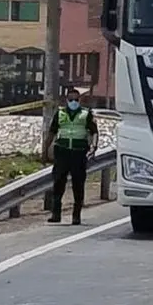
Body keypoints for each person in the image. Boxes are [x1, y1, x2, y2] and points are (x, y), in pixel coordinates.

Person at [43, 88, 99, 225]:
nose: (73, 102)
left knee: (78, 185)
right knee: (58, 183)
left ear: (80, 100)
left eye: (76, 99)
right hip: (62, 152)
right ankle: (56, 214)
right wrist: (44, 150)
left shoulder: (86, 114)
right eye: (71, 100)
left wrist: (94, 147)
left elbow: (94, 132)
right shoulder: (60, 113)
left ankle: (76, 215)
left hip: (79, 153)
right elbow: (51, 133)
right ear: (66, 101)